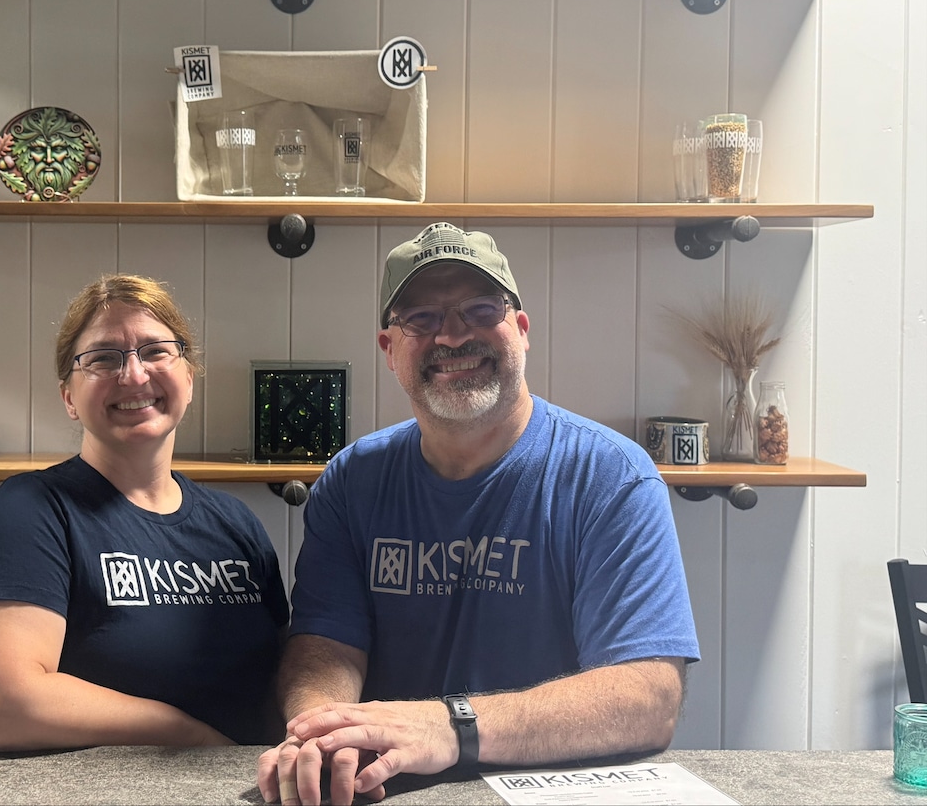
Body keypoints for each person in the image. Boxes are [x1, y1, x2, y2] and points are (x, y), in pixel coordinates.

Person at [257, 222, 701, 806]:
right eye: (421, 319)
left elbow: (647, 696)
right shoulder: (352, 479)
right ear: (389, 349)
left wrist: (450, 727)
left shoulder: (611, 476)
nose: (452, 335)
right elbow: (327, 644)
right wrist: (324, 732)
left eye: (480, 309)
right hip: (384, 789)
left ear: (521, 329)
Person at [0, 273, 289, 753]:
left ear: (188, 379)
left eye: (156, 351)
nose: (133, 375)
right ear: (69, 397)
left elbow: (281, 679)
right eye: (103, 358)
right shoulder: (35, 510)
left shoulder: (236, 523)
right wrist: (185, 733)